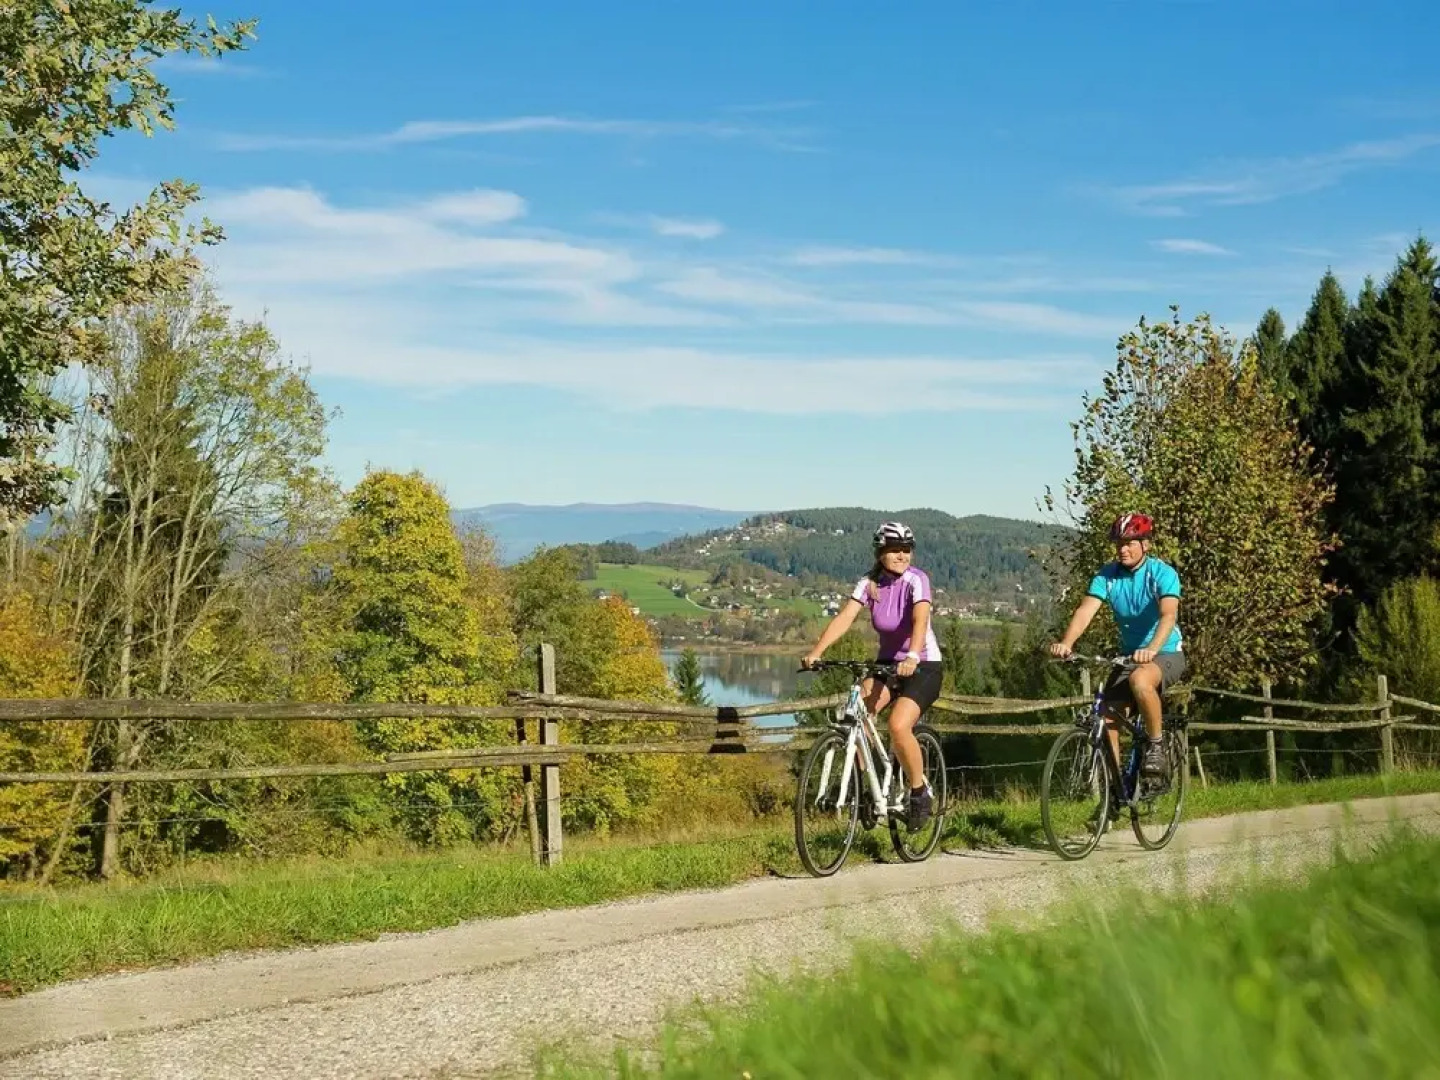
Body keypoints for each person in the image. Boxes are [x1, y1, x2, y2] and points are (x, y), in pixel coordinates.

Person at [802, 521, 943, 829]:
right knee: (856, 714)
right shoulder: (869, 582)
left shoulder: (917, 580)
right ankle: (871, 788)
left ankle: (919, 793)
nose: (901, 555)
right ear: (881, 553)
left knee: (897, 725)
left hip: (924, 664)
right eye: (894, 550)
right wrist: (818, 651)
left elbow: (920, 620)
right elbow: (845, 617)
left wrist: (913, 654)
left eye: (906, 550)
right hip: (887, 664)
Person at [1049, 512, 1185, 780]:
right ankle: (1115, 788)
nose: (1123, 549)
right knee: (1106, 718)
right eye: (1119, 544)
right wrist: (1067, 643)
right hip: (1130, 656)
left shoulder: (1162, 574)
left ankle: (1155, 745)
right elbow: (1086, 611)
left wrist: (1153, 648)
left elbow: (1169, 614)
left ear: (1145, 544)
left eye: (1130, 543)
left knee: (1141, 680)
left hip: (1166, 652)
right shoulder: (1107, 576)